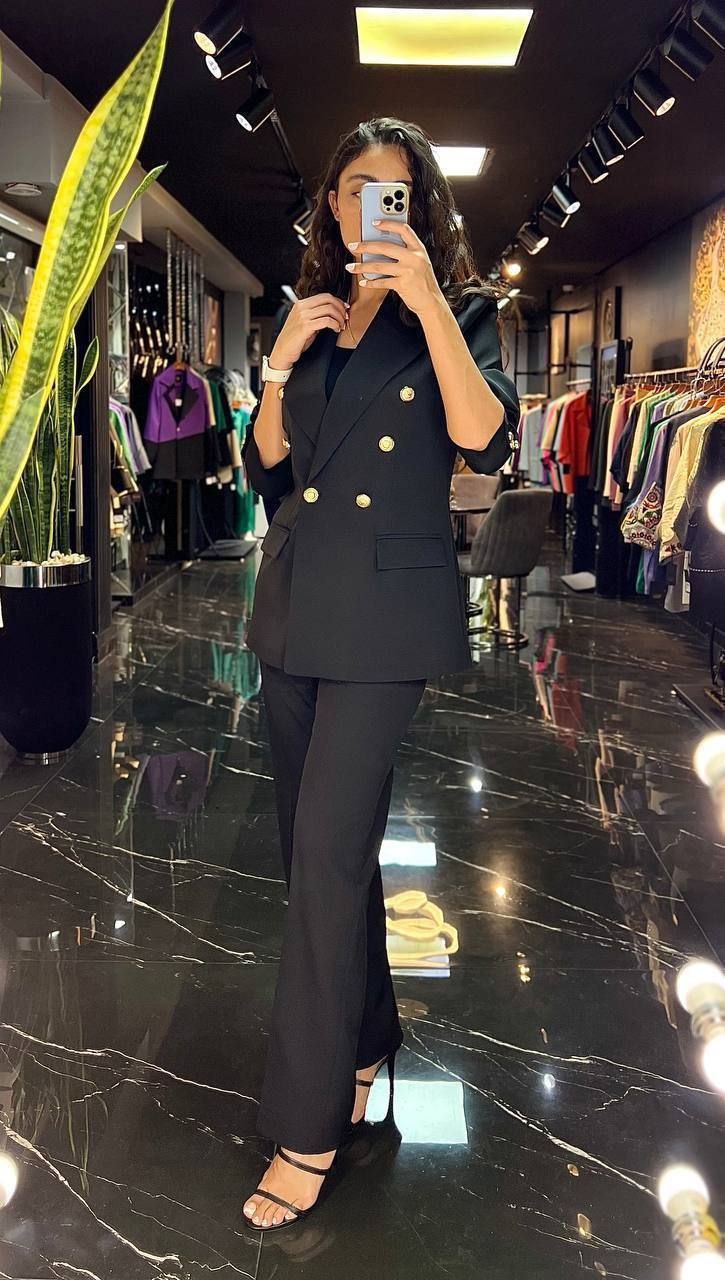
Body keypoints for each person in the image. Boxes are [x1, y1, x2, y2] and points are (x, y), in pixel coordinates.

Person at [240, 116, 520, 1231]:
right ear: (331, 203)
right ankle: (363, 1040)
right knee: (317, 852)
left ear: (421, 207)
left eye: (394, 191)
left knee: (323, 854)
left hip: (384, 622)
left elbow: (484, 441)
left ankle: (307, 1126)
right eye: (355, 187)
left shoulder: (461, 312)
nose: (372, 208)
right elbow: (268, 466)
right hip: (292, 606)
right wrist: (276, 364)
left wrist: (430, 306)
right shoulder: (307, 310)